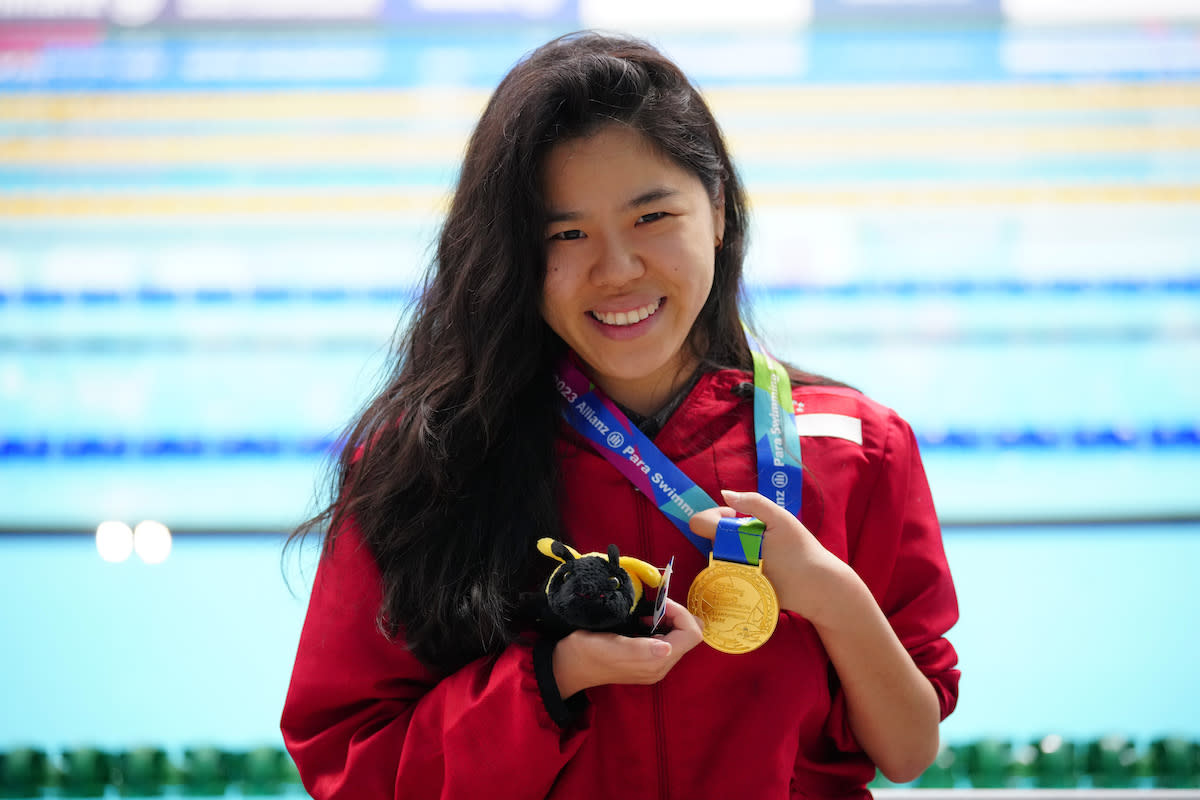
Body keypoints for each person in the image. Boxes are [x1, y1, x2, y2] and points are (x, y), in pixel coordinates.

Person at [281, 31, 959, 800]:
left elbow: (907, 751)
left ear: (720, 215)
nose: (617, 270)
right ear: (514, 257)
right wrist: (549, 680)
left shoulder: (859, 448)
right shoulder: (433, 466)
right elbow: (351, 766)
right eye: (566, 234)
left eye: (651, 217)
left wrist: (833, 597)